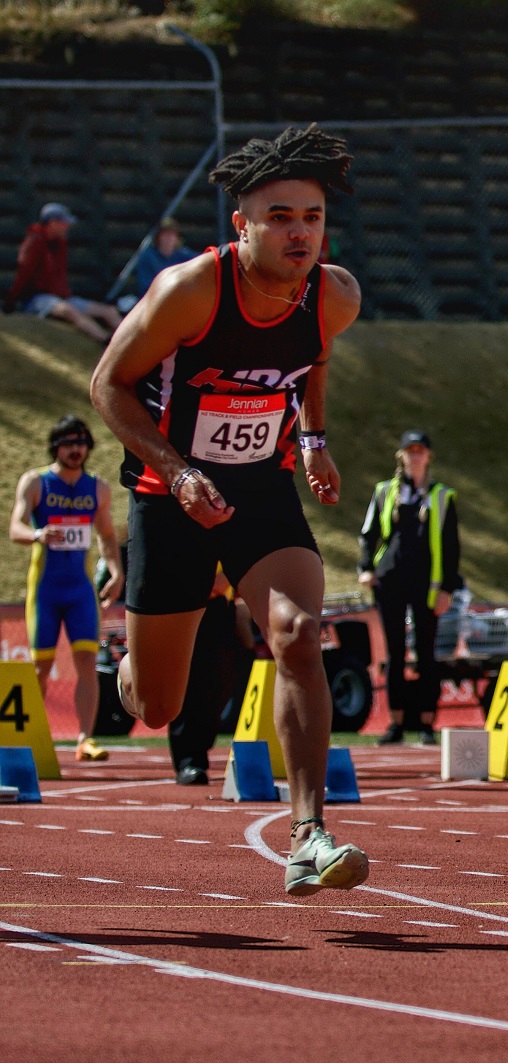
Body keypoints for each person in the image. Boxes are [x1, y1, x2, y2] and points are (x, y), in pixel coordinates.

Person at [89, 124, 370, 897]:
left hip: (259, 487)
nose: (299, 232)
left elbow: (312, 358)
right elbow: (107, 386)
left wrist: (312, 436)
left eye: (311, 217)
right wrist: (177, 474)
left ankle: (307, 833)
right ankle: (128, 670)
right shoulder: (190, 291)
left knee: (300, 635)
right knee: (158, 705)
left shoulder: (333, 297)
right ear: (241, 225)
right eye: (280, 216)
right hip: (169, 496)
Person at [8, 415, 123, 761]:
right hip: (45, 590)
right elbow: (15, 527)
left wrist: (116, 571)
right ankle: (30, 733)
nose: (76, 450)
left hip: (80, 591)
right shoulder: (36, 483)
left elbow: (106, 536)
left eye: (82, 443)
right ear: (55, 446)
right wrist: (38, 535)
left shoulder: (97, 488)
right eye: (69, 443)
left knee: (87, 661)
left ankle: (85, 739)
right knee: (40, 668)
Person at [357, 429, 462, 746]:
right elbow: (368, 532)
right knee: (395, 653)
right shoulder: (384, 491)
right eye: (409, 450)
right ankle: (396, 723)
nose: (415, 455)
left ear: (428, 456)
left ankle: (428, 724)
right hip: (390, 579)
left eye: (420, 450)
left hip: (427, 583)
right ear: (401, 456)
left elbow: (452, 545)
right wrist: (366, 568)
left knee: (427, 654)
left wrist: (447, 588)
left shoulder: (442, 495)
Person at [167, 568, 255, 784]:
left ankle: (200, 746)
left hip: (219, 603)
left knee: (219, 678)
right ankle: (189, 759)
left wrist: (227, 578)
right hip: (181, 601)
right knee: (186, 679)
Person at [4, 203, 123, 342]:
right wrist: (11, 302)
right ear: (52, 223)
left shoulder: (60, 244)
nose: (67, 227)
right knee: (68, 310)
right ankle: (105, 340)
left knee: (109, 311)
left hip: (61, 296)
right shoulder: (34, 242)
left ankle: (132, 341)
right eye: (63, 223)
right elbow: (23, 274)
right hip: (37, 298)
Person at [116, 217, 199, 314]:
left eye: (172, 234)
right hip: (154, 305)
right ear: (158, 237)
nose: (168, 238)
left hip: (179, 301)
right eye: (165, 234)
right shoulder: (147, 257)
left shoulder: (184, 254)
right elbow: (145, 287)